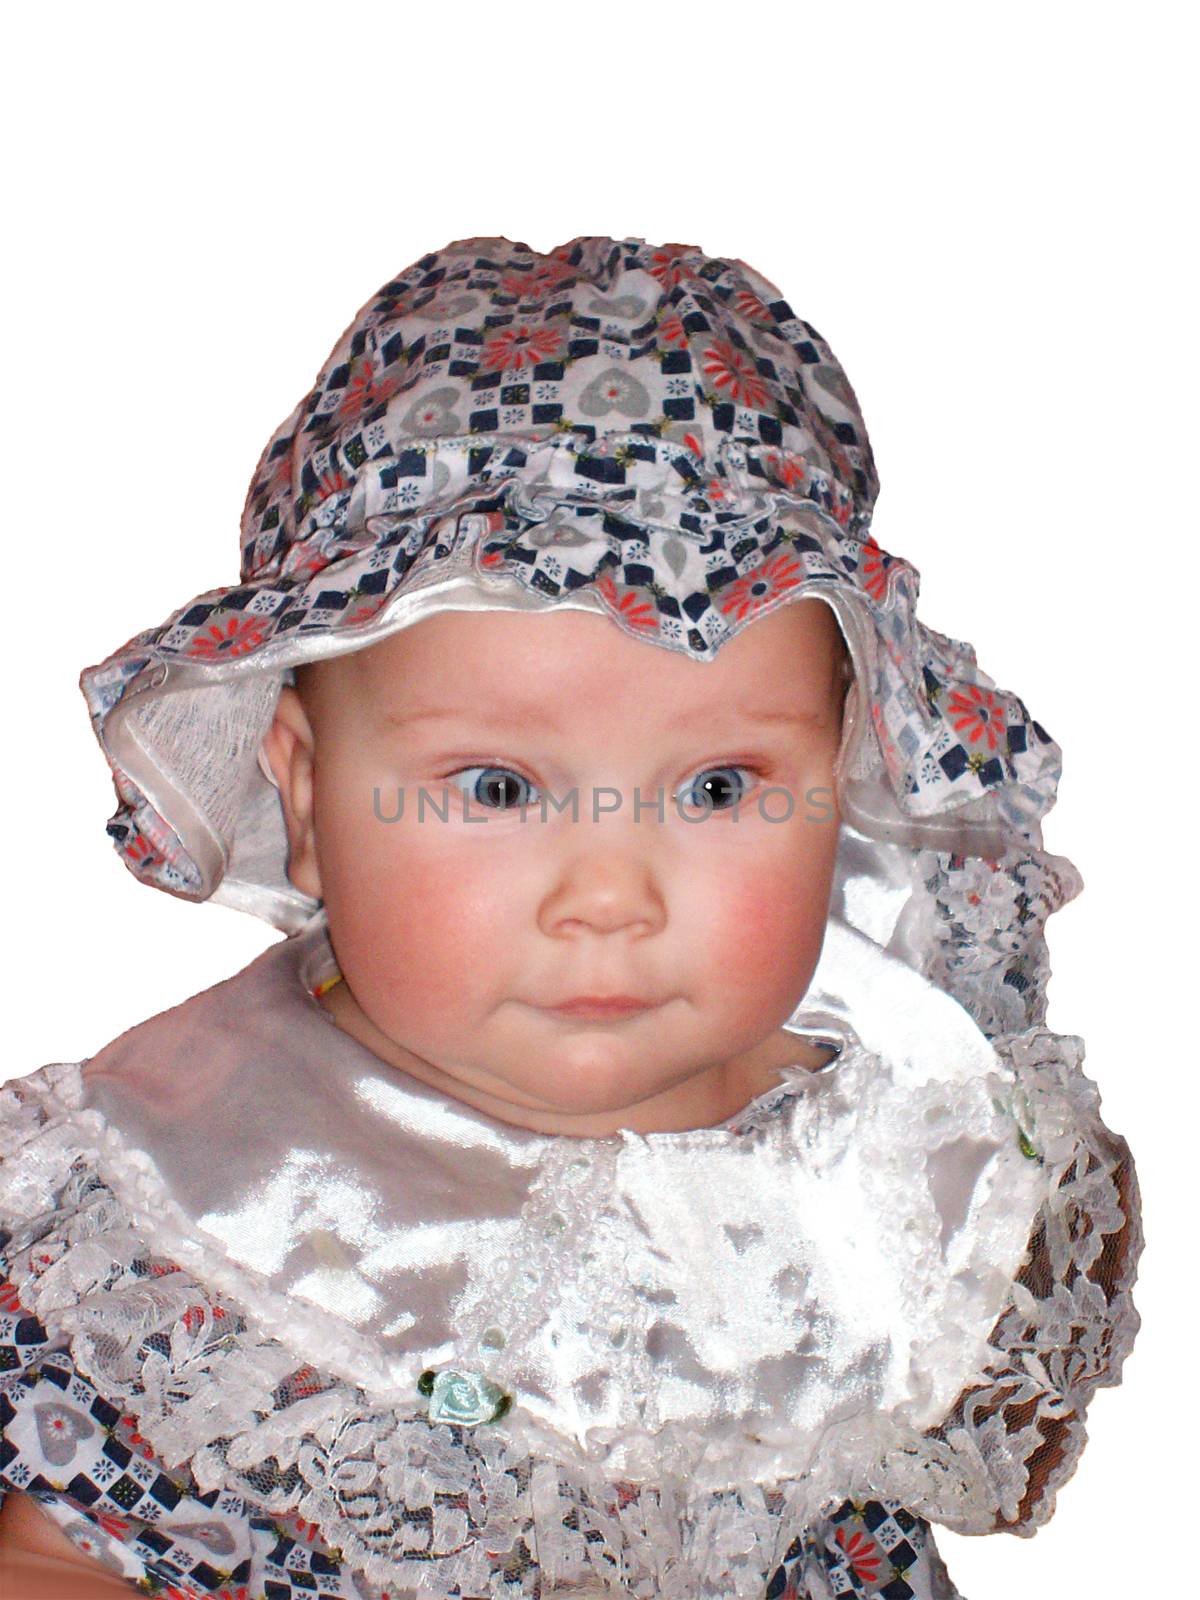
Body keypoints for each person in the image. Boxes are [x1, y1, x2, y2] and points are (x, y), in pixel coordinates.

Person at [0, 236, 1141, 1598]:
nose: (610, 895)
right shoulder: (170, 1206)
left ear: (846, 782)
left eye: (721, 786)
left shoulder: (872, 1170)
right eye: (497, 787)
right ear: (302, 794)